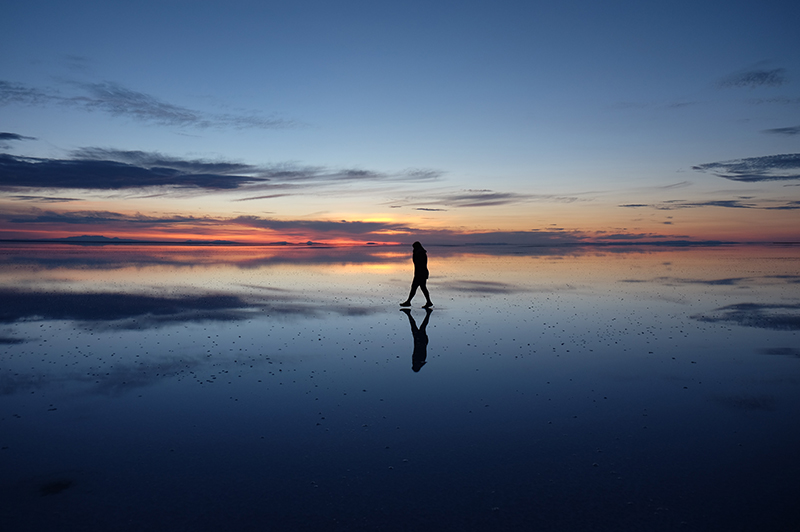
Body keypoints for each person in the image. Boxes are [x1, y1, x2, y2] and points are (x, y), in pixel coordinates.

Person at [400, 241, 433, 308]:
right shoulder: (420, 253)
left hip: (420, 273)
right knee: (422, 288)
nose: (413, 249)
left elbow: (419, 264)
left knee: (415, 287)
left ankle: (408, 302)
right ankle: (428, 302)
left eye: (414, 247)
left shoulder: (420, 253)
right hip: (421, 273)